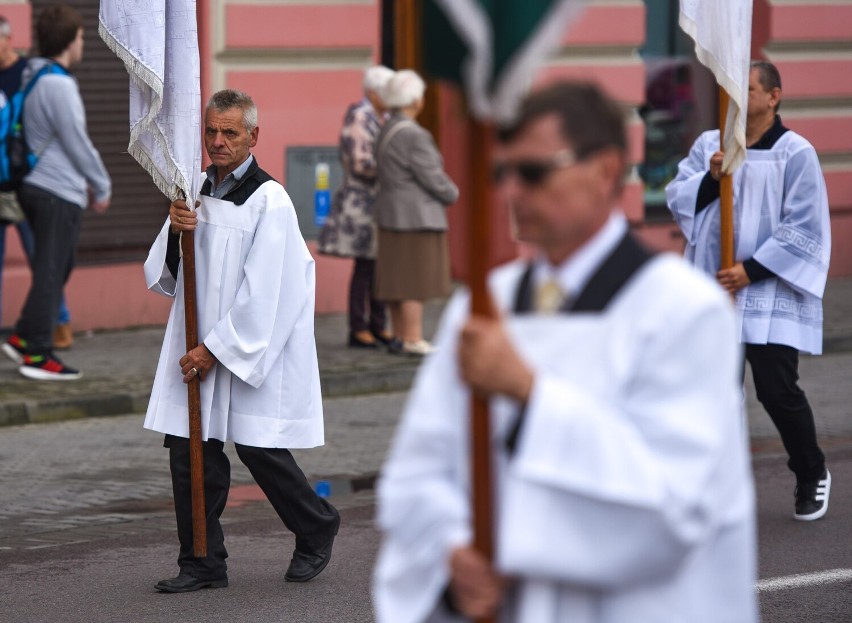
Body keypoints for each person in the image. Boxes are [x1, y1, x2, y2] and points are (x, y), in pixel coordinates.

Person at [373, 82, 758, 622]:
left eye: (533, 173)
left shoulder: (682, 309)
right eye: (502, 173)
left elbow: (677, 507)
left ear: (603, 171)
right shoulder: (485, 306)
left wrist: (531, 394)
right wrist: (453, 553)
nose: (512, 192)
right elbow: (419, 472)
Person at [144, 89, 340, 593]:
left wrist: (215, 349)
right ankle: (202, 561)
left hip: (248, 345)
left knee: (259, 448)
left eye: (229, 132)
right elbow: (168, 276)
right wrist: (174, 230)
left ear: (253, 136)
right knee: (190, 449)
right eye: (211, 131)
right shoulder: (192, 191)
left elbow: (269, 290)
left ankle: (316, 526)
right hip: (197, 340)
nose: (217, 141)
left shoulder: (269, 200)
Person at [666, 60, 832, 521]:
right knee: (714, 392)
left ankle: (811, 471)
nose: (738, 98)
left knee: (776, 391)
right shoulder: (709, 146)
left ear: (774, 96)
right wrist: (710, 179)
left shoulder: (795, 153)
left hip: (768, 290)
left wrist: (751, 270)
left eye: (749, 89)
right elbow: (678, 198)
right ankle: (718, 489)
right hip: (716, 290)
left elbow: (805, 226)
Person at [1, 5, 110, 379]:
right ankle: (38, 355)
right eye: (81, 37)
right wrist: (102, 183)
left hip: (38, 187)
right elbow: (77, 142)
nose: (82, 43)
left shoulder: (33, 76)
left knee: (55, 268)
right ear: (68, 40)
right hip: (55, 191)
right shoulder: (58, 84)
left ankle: (22, 338)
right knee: (51, 272)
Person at [0, 14, 74, 351]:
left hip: (31, 182)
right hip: (2, 182)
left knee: (44, 258)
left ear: (8, 38)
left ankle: (58, 322)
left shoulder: (29, 73)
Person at [373, 69, 458, 356]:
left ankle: (400, 335)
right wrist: (452, 193)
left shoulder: (387, 127)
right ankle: (412, 337)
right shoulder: (414, 134)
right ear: (413, 99)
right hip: (416, 217)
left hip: (390, 213)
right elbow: (432, 177)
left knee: (397, 280)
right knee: (413, 280)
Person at [318, 65, 395, 349]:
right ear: (373, 92)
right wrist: (397, 168)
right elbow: (360, 161)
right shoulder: (360, 116)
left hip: (378, 201)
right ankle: (359, 327)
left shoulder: (382, 116)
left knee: (380, 266)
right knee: (365, 266)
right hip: (361, 203)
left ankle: (378, 324)